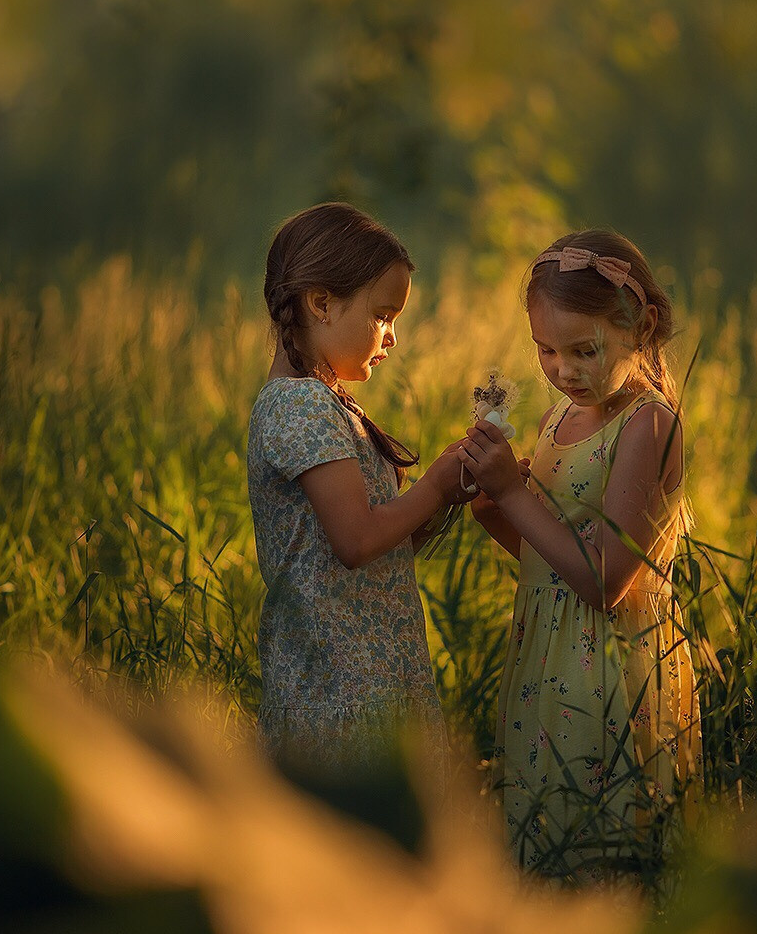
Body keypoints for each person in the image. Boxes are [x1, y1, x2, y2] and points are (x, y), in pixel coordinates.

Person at [461, 229, 701, 880]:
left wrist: (516, 492)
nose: (563, 369)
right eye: (545, 349)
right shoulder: (558, 419)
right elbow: (549, 557)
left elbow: (602, 579)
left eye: (583, 350)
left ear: (640, 328)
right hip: (548, 664)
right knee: (546, 849)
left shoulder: (647, 424)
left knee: (600, 857)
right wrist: (494, 507)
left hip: (610, 676)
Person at [247, 202, 466, 796]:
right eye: (383, 314)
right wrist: (435, 482)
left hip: (371, 677)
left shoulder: (330, 403)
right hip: (336, 690)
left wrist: (449, 495)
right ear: (320, 302)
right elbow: (356, 539)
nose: (392, 335)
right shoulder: (298, 405)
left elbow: (382, 543)